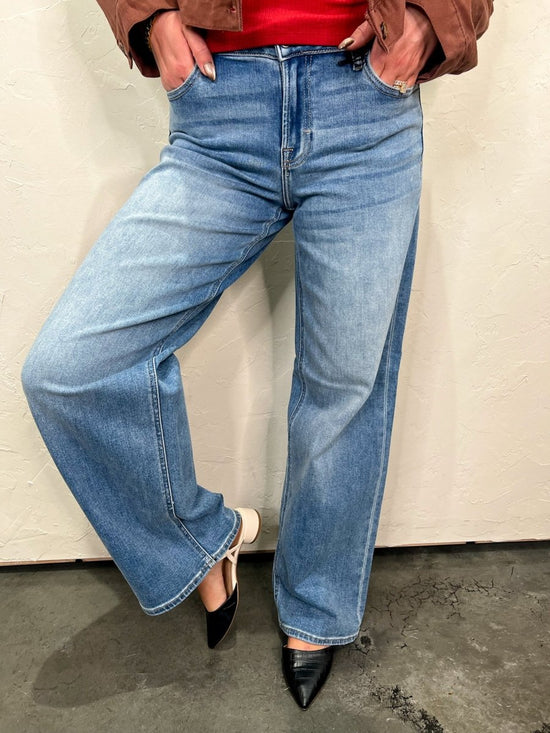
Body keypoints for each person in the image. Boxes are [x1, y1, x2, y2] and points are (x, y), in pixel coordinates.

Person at [21, 0, 493, 710]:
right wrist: (150, 18)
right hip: (221, 109)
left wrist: (431, 20)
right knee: (69, 367)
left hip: (364, 102)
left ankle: (317, 605)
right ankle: (201, 539)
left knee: (345, 383)